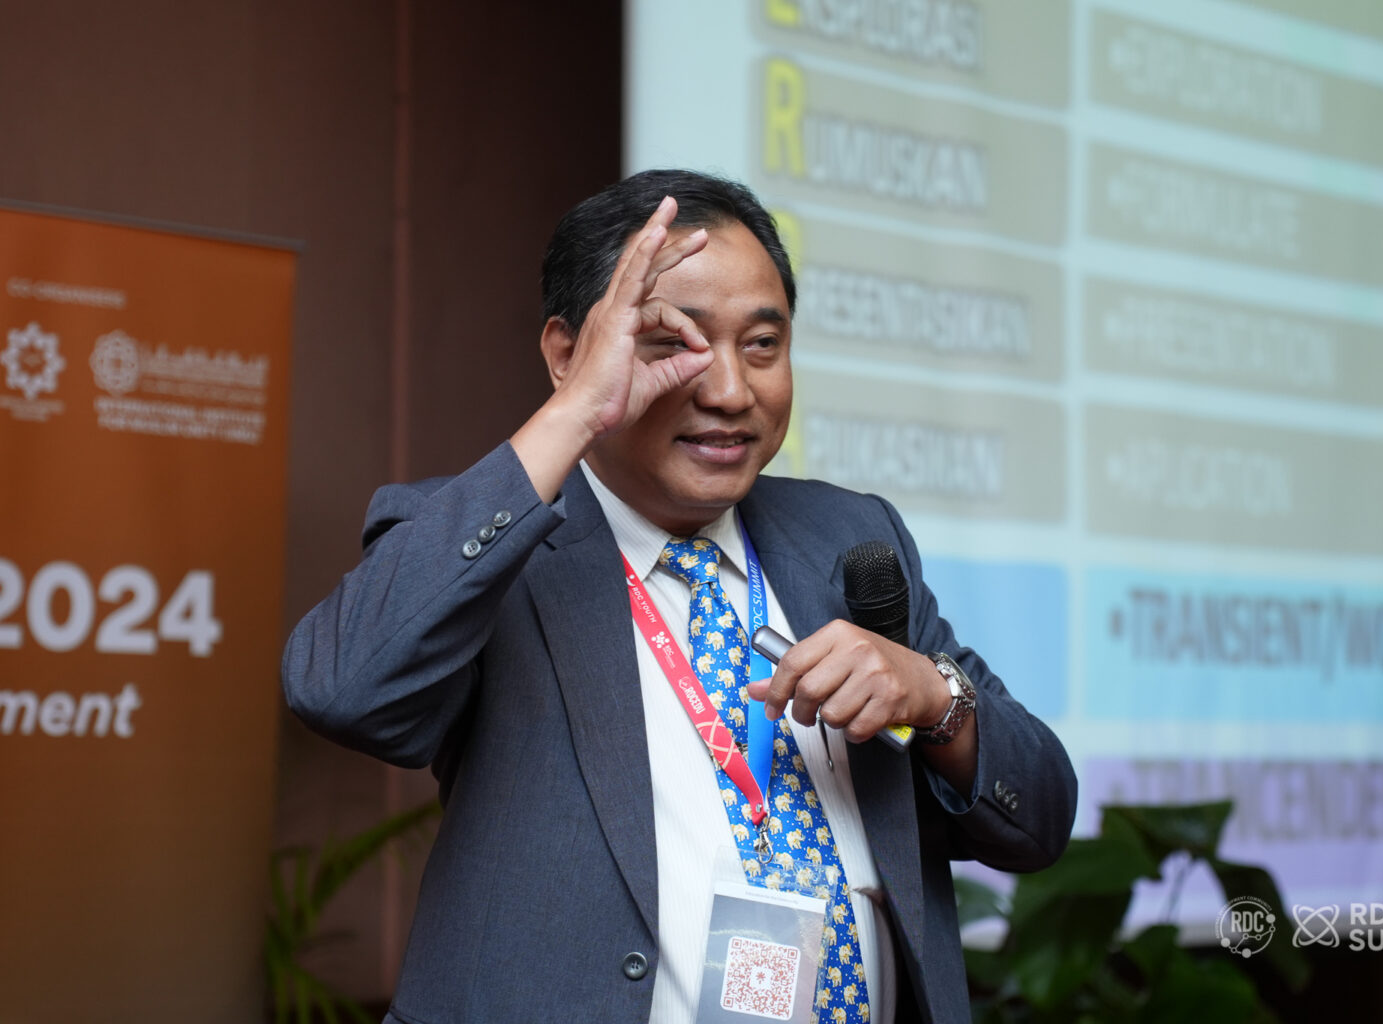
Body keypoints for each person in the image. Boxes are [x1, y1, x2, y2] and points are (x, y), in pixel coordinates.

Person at [283, 169, 1076, 1024]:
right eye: (673, 344)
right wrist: (576, 412)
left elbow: (1037, 820)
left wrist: (935, 697)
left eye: (762, 344)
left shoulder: (844, 536)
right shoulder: (490, 544)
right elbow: (341, 688)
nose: (730, 391)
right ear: (568, 353)